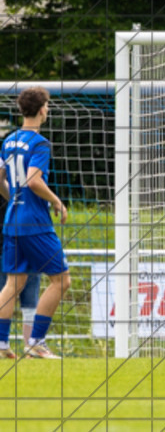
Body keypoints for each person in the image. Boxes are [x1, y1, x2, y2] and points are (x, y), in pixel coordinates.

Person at [0, 87, 70, 359]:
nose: (48, 110)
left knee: (13, 284)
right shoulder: (40, 143)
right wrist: (57, 201)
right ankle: (36, 342)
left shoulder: (9, 140)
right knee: (61, 281)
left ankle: (2, 345)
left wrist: (15, 197)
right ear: (41, 109)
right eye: (48, 105)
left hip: (12, 220)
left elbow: (1, 179)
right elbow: (34, 180)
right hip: (35, 223)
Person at [0, 188, 40, 349]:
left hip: (26, 242)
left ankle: (30, 345)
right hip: (10, 245)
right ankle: (6, 344)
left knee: (29, 301)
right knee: (10, 293)